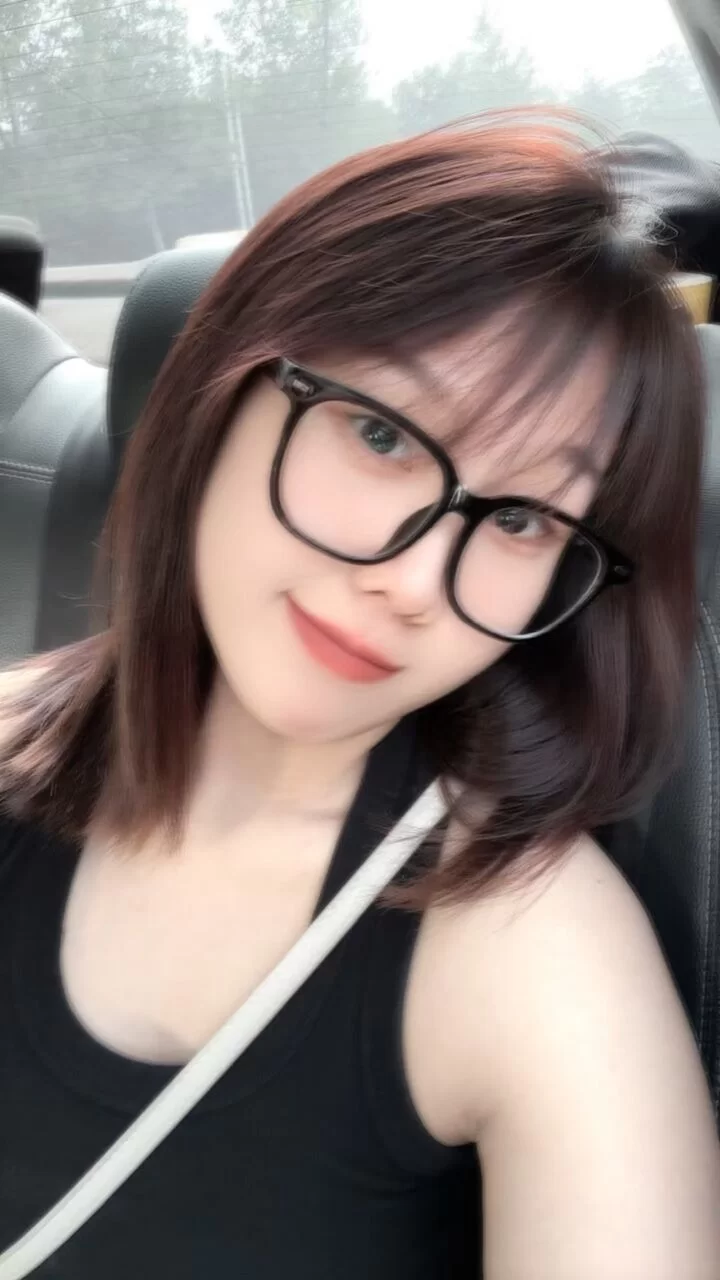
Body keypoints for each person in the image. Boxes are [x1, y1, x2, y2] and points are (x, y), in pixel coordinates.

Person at [0, 111, 719, 1280]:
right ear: (224, 385)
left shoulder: (532, 951)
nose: (414, 583)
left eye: (523, 517)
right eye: (382, 433)